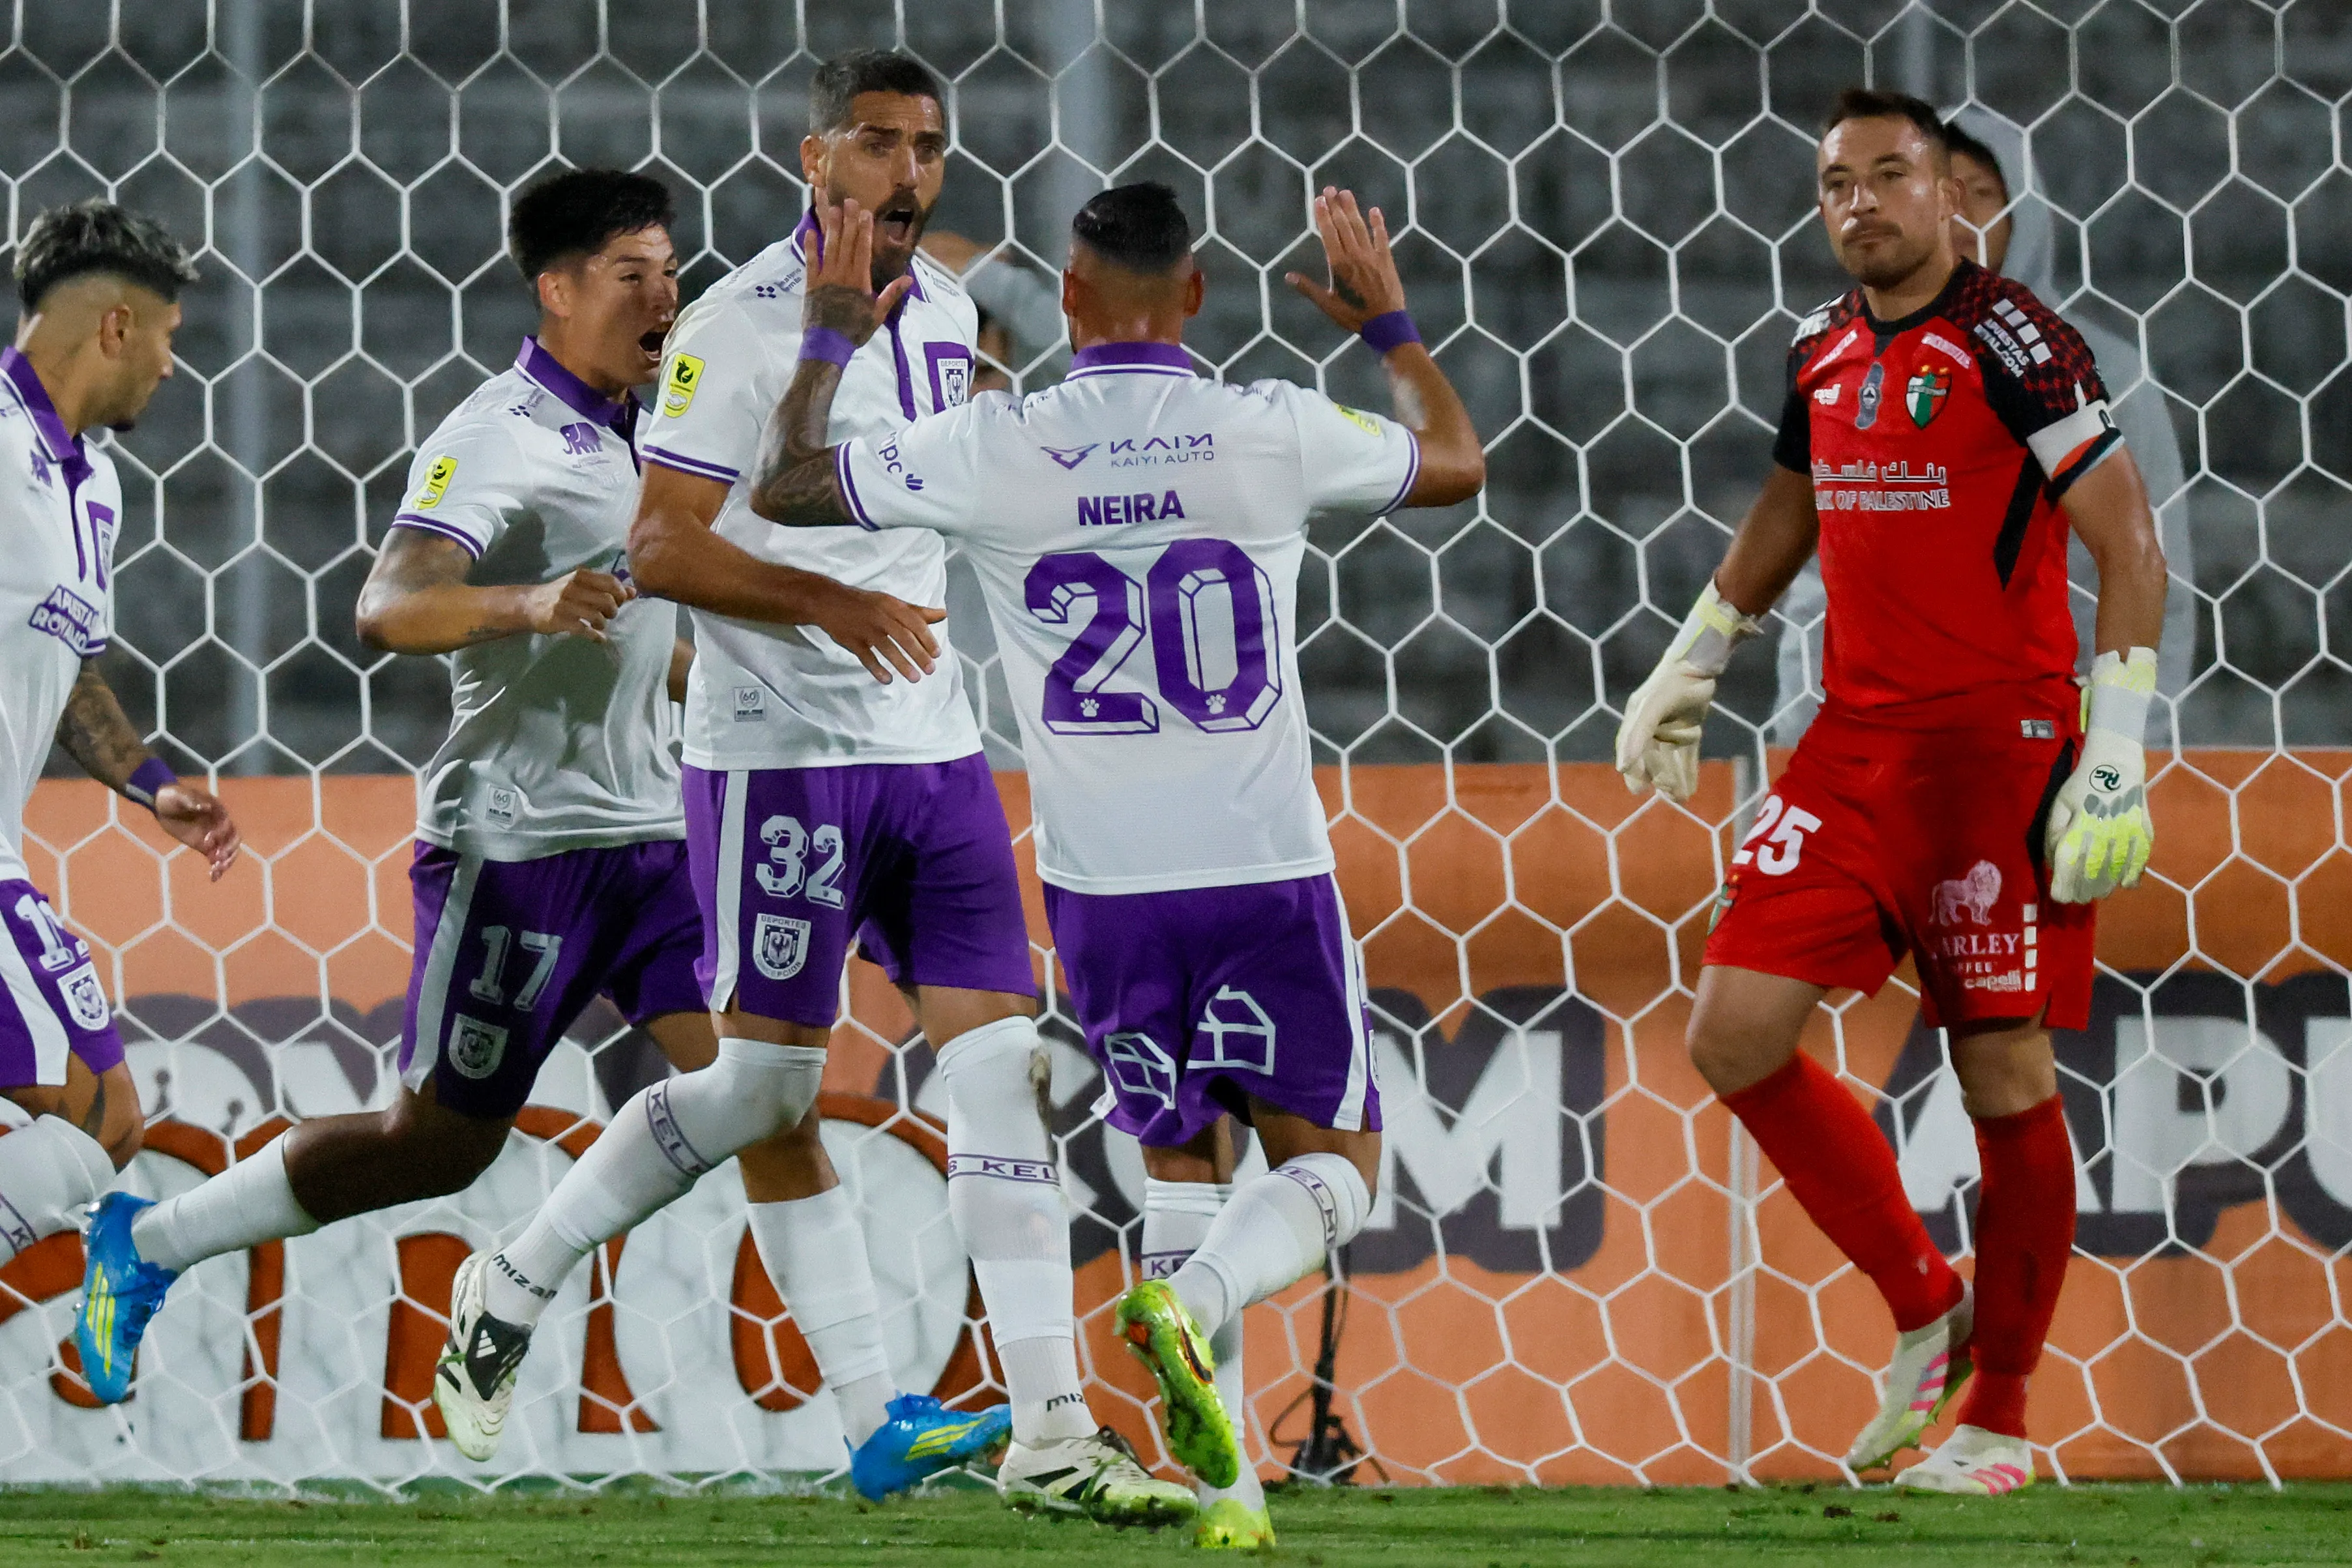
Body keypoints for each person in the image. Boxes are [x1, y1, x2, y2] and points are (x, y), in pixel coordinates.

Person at [73, 169, 999, 1491]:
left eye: (671, 272)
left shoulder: (675, 429)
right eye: (633, 275)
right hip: (513, 854)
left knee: (769, 1099)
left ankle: (871, 1421)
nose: (665, 296)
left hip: (661, 841)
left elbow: (662, 641)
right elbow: (388, 606)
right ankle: (149, 1241)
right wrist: (527, 603)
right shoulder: (494, 436)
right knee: (439, 1145)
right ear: (556, 289)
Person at [432, 53, 1175, 1520]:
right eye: (880, 145)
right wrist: (825, 610)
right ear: (814, 158)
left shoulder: (952, 311)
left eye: (929, 150)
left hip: (932, 751)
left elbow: (938, 494)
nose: (908, 174)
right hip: (780, 761)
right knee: (767, 1085)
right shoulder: (730, 327)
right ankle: (514, 1270)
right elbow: (664, 548)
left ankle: (1050, 1429)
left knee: (996, 1070)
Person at [744, 179, 1483, 1546]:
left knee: (1180, 1167)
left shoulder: (994, 443)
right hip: (1261, 862)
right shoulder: (1263, 426)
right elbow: (1453, 463)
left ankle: (1231, 1503)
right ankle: (1192, 1313)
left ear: (1067, 300)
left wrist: (835, 333)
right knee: (1337, 1169)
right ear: (1194, 294)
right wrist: (1389, 328)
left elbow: (789, 486)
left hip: (1102, 889)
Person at [1616, 88, 2168, 1495]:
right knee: (1733, 1033)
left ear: (1948, 199)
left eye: (1888, 177)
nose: (1859, 202)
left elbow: (2130, 545)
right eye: (1835, 183)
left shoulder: (2018, 342)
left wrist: (2112, 747)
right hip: (1853, 749)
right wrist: (1696, 655)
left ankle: (1997, 1418)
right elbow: (1788, 509)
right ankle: (1927, 1299)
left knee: (2001, 1073)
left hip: (1997, 752)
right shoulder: (1812, 348)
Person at [0, 200, 242, 1337]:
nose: (169, 362)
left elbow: (70, 667)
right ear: (112, 327)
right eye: (168, 335)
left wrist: (152, 783)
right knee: (99, 1114)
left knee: (105, 1114)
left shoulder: (94, 484)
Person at [1770, 108, 2197, 743]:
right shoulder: (1851, 362)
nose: (1960, 218)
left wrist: (2130, 753)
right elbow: (1822, 579)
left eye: (1984, 194)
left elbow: (2147, 569)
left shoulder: (2100, 369)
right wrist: (1801, 737)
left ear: (2025, 210)